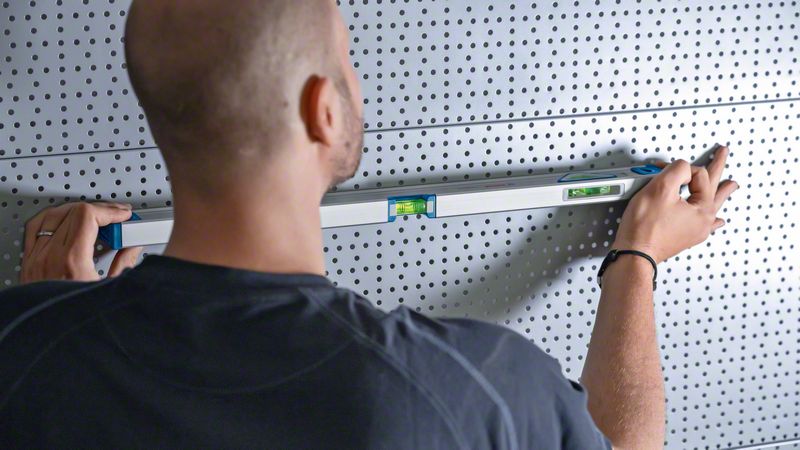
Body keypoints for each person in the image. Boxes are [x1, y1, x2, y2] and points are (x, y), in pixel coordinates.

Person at [0, 0, 739, 448]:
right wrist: (636, 258)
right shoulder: (473, 388)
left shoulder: (23, 349)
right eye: (348, 60)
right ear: (324, 111)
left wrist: (52, 317)